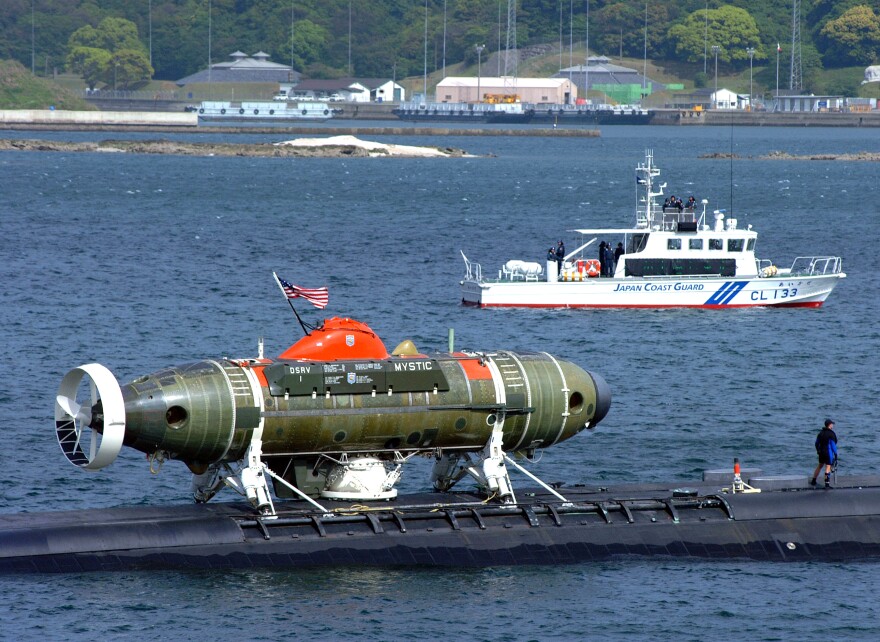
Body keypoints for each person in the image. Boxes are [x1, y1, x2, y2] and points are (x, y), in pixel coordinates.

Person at [811, 419, 838, 488]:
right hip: (828, 452)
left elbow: (816, 443)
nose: (833, 425)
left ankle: (813, 480)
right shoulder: (831, 434)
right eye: (832, 424)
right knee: (828, 466)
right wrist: (835, 454)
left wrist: (818, 451)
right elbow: (833, 445)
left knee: (820, 465)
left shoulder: (821, 433)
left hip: (821, 452)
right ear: (829, 425)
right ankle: (827, 483)